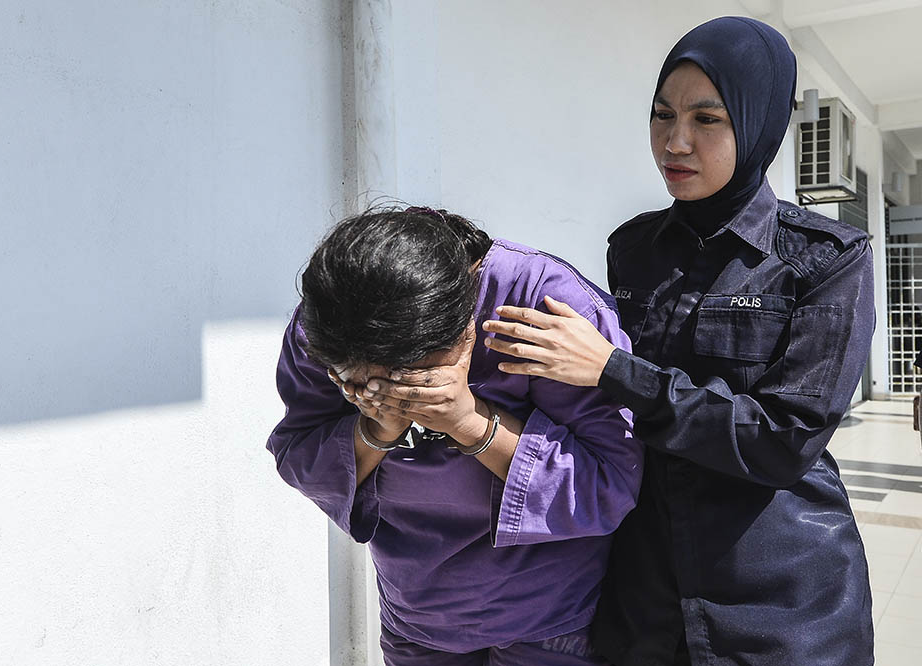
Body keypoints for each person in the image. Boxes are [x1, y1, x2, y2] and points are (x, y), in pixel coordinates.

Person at [484, 17, 875, 665]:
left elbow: (786, 440)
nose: (676, 140)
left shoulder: (826, 259)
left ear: (757, 123)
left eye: (707, 118)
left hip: (782, 603)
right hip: (647, 598)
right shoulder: (632, 249)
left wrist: (615, 371)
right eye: (661, 115)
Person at [267, 206, 644, 665]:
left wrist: (470, 422)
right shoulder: (328, 321)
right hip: (417, 616)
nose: (388, 392)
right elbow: (298, 449)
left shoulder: (542, 305)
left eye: (409, 377)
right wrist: (378, 428)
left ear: (463, 330)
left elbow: (612, 481)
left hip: (549, 620)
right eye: (361, 385)